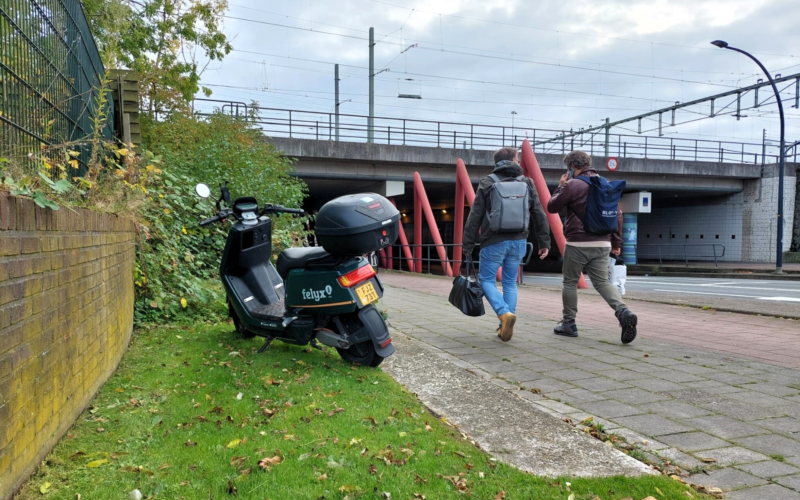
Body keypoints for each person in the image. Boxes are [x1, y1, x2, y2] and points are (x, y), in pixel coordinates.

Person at [546, 151, 638, 344]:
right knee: (603, 282)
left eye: (568, 168)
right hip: (603, 242)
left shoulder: (572, 184)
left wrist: (560, 187)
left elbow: (552, 207)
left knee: (570, 282)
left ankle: (569, 324)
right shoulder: (605, 183)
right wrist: (617, 243)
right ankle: (623, 312)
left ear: (572, 166)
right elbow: (617, 215)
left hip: (577, 242)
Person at [462, 147, 551, 342]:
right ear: (512, 160)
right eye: (517, 159)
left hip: (492, 241)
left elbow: (475, 216)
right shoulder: (527, 182)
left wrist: (467, 245)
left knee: (486, 280)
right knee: (510, 283)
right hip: (519, 240)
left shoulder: (487, 182)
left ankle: (504, 314)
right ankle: (505, 322)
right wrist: (544, 241)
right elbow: (538, 213)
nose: (518, 161)